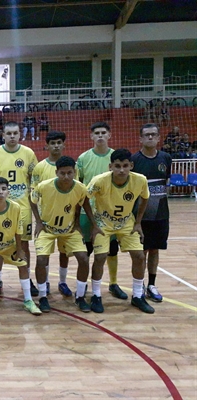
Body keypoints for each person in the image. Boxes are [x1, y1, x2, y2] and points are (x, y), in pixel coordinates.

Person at [87, 148, 154, 314]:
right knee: (100, 257)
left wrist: (138, 222)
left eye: (125, 165)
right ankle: (96, 295)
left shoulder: (140, 180)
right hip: (103, 222)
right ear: (110, 166)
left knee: (139, 256)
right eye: (117, 166)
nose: (122, 170)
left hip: (126, 222)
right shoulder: (99, 181)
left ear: (131, 165)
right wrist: (94, 224)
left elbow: (145, 198)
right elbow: (83, 199)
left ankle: (138, 295)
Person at [31, 156, 101, 313]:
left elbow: (82, 204)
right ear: (56, 173)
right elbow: (32, 201)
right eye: (62, 173)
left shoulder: (80, 188)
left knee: (83, 258)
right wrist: (39, 222)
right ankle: (42, 297)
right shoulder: (44, 186)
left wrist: (88, 224)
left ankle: (80, 296)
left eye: (70, 173)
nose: (66, 176)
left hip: (69, 230)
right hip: (47, 229)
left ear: (75, 172)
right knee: (41, 259)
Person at [0, 177, 41, 317]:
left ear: (8, 192)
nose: (0, 192)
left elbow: (18, 231)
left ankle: (28, 300)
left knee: (23, 265)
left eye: (4, 189)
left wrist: (20, 249)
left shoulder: (15, 207)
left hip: (8, 244)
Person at [0, 121, 38, 297]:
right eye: (9, 133)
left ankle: (27, 279)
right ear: (3, 135)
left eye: (15, 133)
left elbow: (34, 178)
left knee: (23, 244)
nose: (12, 136)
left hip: (22, 208)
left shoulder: (28, 153)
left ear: (20, 134)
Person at [77, 122, 124, 300]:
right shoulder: (83, 159)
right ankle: (84, 284)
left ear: (109, 135)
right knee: (86, 251)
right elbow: (79, 186)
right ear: (91, 136)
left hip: (109, 214)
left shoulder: (116, 157)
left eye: (104, 132)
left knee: (111, 250)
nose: (100, 136)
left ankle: (113, 283)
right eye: (97, 133)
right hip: (86, 213)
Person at [30, 131, 78, 297]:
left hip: (67, 218)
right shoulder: (40, 167)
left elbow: (77, 193)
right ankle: (46, 282)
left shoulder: (71, 167)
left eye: (59, 142)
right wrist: (38, 221)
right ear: (47, 146)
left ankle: (62, 282)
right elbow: (33, 195)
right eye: (53, 143)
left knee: (64, 253)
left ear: (64, 145)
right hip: (47, 219)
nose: (56, 145)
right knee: (45, 253)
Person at [130, 123, 172, 302]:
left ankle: (152, 285)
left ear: (158, 138)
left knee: (155, 250)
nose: (150, 138)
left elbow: (166, 182)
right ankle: (137, 288)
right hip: (141, 215)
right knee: (142, 252)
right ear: (140, 138)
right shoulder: (134, 160)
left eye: (153, 135)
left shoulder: (166, 158)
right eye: (146, 135)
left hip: (161, 214)